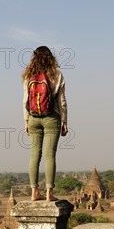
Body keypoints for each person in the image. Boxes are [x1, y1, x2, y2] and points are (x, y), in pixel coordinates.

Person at [22, 46, 68, 201]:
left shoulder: (29, 75)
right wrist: (65, 121)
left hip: (33, 118)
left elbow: (25, 101)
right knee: (50, 155)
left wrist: (26, 121)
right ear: (51, 58)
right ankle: (49, 194)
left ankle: (34, 192)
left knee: (34, 154)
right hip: (51, 117)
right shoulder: (57, 74)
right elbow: (61, 101)